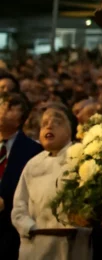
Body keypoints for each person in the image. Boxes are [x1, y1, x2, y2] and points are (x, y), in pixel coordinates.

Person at [12, 102, 90, 259]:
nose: (49, 126)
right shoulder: (33, 164)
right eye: (44, 124)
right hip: (35, 244)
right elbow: (19, 206)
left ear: (72, 130)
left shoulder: (82, 159)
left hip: (71, 244)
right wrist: (31, 229)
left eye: (58, 122)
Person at [0, 92, 43, 259]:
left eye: (10, 107)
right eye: (2, 104)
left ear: (21, 117)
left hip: (11, 230)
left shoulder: (32, 150)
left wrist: (7, 200)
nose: (2, 109)